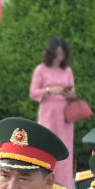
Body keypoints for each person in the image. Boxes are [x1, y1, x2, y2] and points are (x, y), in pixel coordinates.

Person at [30, 36, 81, 166]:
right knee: (46, 145)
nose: (60, 57)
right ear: (51, 53)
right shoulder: (41, 69)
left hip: (65, 115)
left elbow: (73, 92)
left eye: (63, 54)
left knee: (65, 147)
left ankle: (65, 183)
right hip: (48, 114)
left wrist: (69, 93)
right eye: (58, 54)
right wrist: (49, 90)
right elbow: (33, 92)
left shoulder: (67, 70)